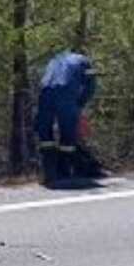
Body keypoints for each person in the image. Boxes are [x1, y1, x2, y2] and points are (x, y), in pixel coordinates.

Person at [36, 46, 98, 185]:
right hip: (66, 94)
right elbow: (91, 86)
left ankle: (49, 173)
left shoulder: (54, 59)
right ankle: (64, 172)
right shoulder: (84, 60)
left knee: (45, 136)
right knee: (68, 135)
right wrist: (80, 104)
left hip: (45, 94)